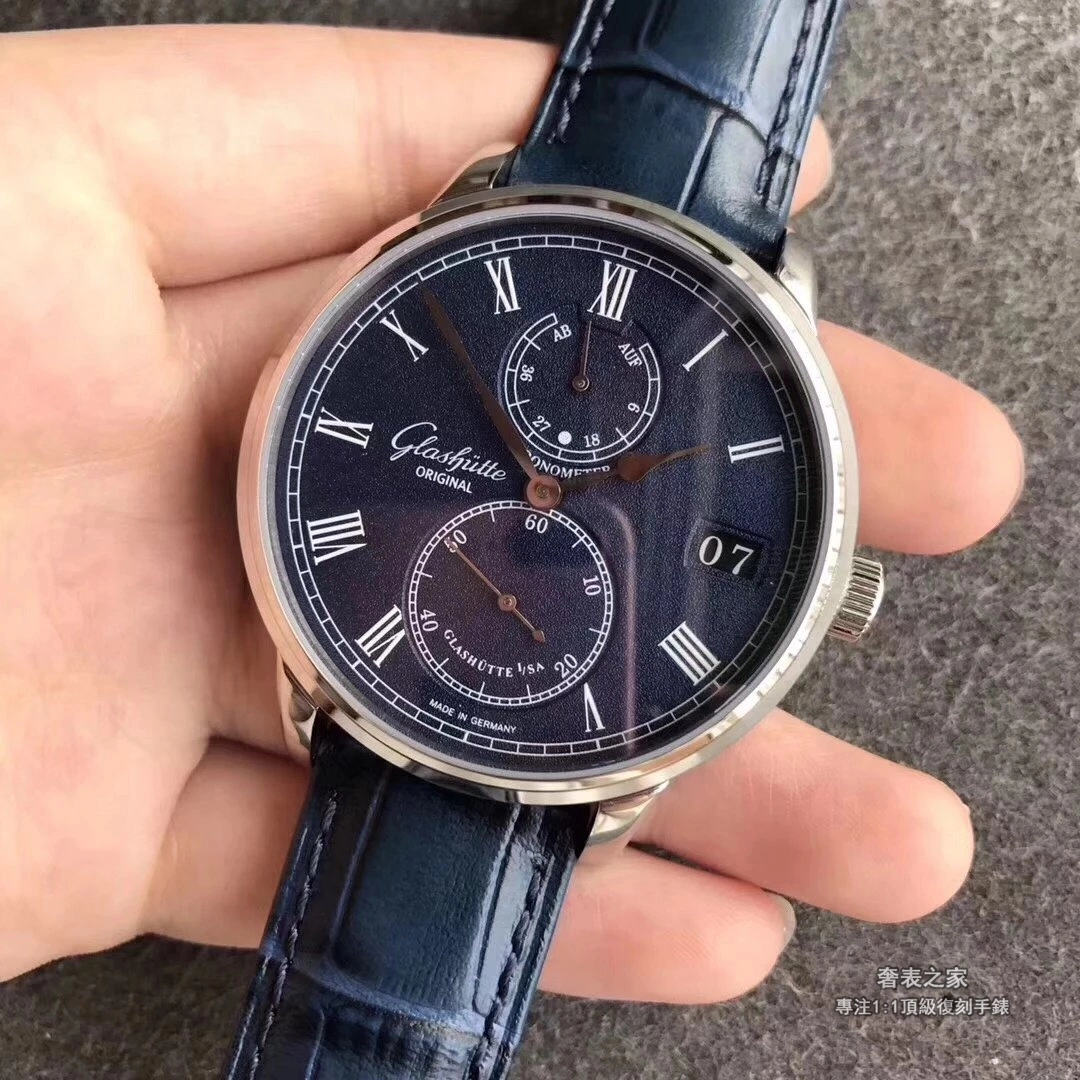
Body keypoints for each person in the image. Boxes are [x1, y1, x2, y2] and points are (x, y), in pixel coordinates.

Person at [0, 23, 1023, 1004]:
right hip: (350, 667)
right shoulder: (475, 213)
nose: (544, 487)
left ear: (831, 594)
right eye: (546, 478)